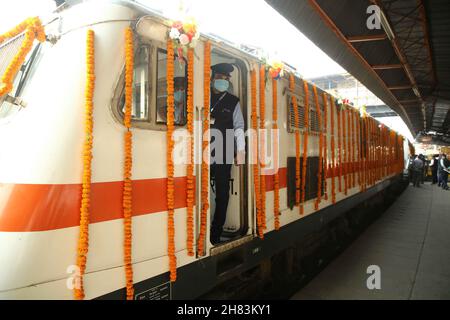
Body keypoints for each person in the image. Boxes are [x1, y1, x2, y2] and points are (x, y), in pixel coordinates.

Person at [209, 62, 245, 245]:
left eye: (225, 79)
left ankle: (215, 233)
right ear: (212, 79)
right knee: (200, 191)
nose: (222, 82)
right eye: (219, 78)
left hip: (223, 150)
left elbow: (239, 127)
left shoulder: (233, 101)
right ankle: (202, 228)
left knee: (222, 194)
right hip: (202, 151)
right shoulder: (202, 97)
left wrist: (240, 150)